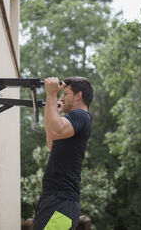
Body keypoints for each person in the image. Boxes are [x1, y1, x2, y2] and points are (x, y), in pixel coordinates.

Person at [32, 76, 94, 230]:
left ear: (78, 95)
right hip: (56, 199)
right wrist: (53, 109)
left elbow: (56, 129)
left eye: (65, 94)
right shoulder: (76, 121)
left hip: (61, 201)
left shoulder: (81, 116)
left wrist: (51, 95)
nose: (62, 98)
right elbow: (53, 142)